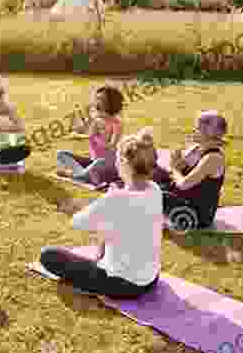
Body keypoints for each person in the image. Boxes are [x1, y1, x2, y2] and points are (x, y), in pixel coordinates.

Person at [41, 128, 162, 298]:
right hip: (151, 278)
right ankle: (101, 261)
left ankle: (99, 269)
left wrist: (72, 209)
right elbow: (131, 212)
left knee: (49, 255)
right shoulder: (155, 190)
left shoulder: (115, 198)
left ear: (123, 163)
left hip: (124, 284)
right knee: (113, 227)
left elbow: (78, 222)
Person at [153, 111, 227, 231]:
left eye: (198, 128)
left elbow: (183, 184)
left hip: (197, 213)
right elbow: (178, 171)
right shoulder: (197, 148)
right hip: (183, 199)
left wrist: (174, 168)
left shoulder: (213, 158)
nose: (194, 131)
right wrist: (174, 161)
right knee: (150, 182)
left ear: (208, 133)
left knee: (153, 194)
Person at [56, 85, 124, 186]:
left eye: (100, 99)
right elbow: (83, 132)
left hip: (109, 165)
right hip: (94, 162)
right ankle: (88, 176)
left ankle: (75, 175)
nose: (96, 101)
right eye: (97, 98)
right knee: (61, 154)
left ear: (111, 102)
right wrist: (76, 134)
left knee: (100, 162)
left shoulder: (116, 124)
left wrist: (95, 137)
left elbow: (112, 147)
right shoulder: (95, 119)